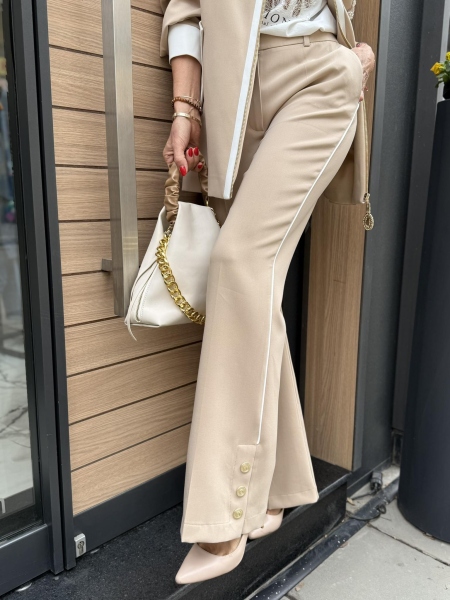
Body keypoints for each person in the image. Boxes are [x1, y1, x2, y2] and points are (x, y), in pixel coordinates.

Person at [159, 0, 376, 584]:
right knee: (256, 289)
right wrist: (184, 108)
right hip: (233, 96)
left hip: (319, 77)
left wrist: (357, 54)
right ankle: (280, 484)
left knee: (238, 262)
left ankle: (222, 514)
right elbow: (185, 11)